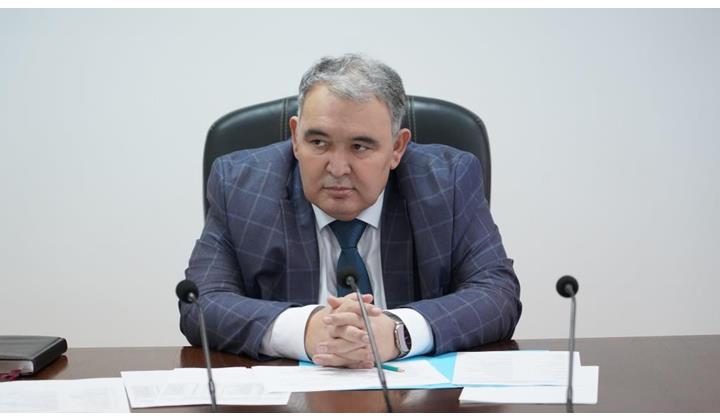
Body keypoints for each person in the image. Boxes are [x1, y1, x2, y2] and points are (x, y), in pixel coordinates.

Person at [179, 53, 521, 368]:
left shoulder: (448, 182)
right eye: (318, 142)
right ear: (295, 137)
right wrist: (306, 329)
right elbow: (201, 302)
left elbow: (496, 293)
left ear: (397, 147)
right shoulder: (240, 185)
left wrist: (397, 332)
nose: (338, 168)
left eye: (360, 146)